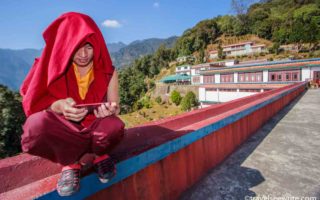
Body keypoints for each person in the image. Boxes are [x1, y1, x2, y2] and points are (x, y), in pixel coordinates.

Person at [19, 12, 125, 196]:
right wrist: (58, 106)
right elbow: (33, 106)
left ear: (97, 45)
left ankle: (99, 155)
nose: (83, 54)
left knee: (114, 126)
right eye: (76, 47)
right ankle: (70, 163)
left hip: (95, 129)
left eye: (89, 47)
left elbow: (116, 106)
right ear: (65, 46)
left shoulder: (108, 71)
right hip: (66, 131)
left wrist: (110, 110)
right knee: (35, 127)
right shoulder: (47, 67)